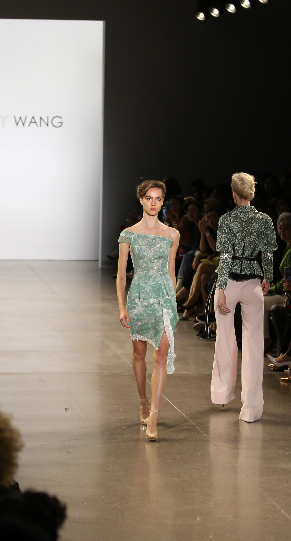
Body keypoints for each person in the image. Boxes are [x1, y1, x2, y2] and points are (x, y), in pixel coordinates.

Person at [211, 172, 277, 423]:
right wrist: (268, 277)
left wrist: (222, 287)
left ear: (233, 193)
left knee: (225, 339)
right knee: (253, 342)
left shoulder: (227, 220)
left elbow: (226, 256)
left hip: (230, 282)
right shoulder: (264, 220)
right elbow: (268, 253)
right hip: (253, 284)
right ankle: (251, 408)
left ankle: (222, 393)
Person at [116, 180, 180, 441]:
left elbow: (172, 272)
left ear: (163, 202)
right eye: (149, 198)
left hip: (164, 299)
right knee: (140, 353)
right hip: (140, 297)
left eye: (158, 199)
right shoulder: (128, 234)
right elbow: (121, 275)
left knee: (160, 356)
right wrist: (122, 306)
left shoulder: (172, 234)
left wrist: (173, 302)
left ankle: (154, 414)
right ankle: (143, 400)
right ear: (141, 200)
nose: (154, 203)